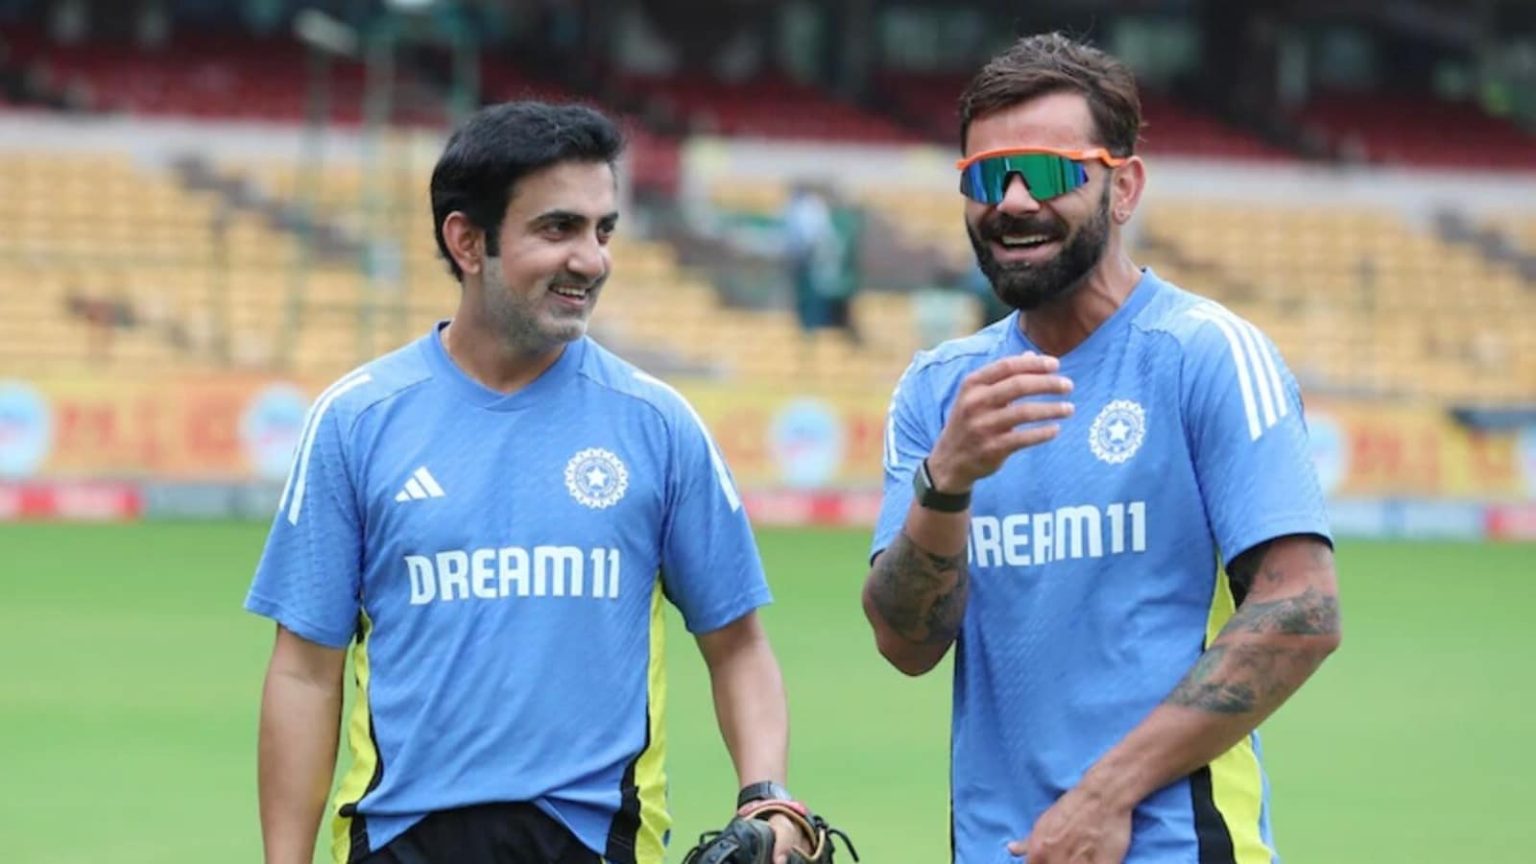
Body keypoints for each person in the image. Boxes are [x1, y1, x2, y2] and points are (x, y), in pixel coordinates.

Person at [247, 101, 807, 864]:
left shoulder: (657, 423)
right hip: (401, 842)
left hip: (597, 843)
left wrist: (766, 795)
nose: (592, 259)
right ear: (467, 241)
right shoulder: (357, 422)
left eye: (603, 230)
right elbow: (305, 674)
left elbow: (737, 645)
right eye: (558, 229)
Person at [861, 34, 1341, 864]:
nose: (1013, 201)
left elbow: (1302, 610)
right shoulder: (939, 391)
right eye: (986, 178)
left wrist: (1104, 795)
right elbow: (907, 645)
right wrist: (946, 483)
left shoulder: (1205, 354)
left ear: (1125, 188)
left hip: (1175, 845)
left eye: (1049, 173)